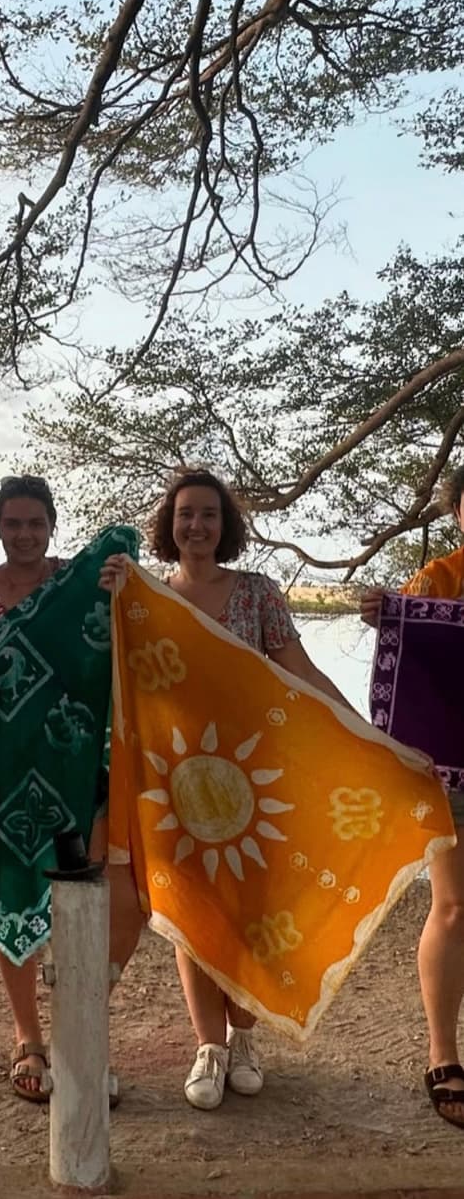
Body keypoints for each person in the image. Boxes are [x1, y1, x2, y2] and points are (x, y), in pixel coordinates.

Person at [102, 467, 352, 1113]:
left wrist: (363, 733)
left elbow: (300, 672)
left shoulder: (257, 594)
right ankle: (207, 1046)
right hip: (178, 779)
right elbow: (118, 682)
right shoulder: (145, 599)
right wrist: (105, 599)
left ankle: (243, 1038)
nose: (196, 525)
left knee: (249, 910)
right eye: (185, 513)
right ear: (169, 523)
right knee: (192, 913)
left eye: (208, 514)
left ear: (224, 524)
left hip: (255, 779)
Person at [0, 475, 145, 1103]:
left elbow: (130, 633)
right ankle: (27, 1037)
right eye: (13, 524)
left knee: (89, 901)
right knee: (12, 895)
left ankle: (78, 1030)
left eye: (36, 524)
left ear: (52, 526)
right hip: (9, 769)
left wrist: (126, 578)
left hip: (79, 760)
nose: (25, 534)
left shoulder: (79, 582)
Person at [361, 465, 464, 1130]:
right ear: (456, 513)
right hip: (450, 776)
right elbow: (410, 664)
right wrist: (381, 612)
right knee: (453, 905)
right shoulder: (436, 581)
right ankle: (443, 1052)